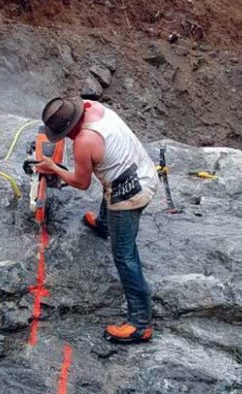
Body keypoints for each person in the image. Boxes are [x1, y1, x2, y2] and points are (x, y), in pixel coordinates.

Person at [37, 97, 158, 343]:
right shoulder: (93, 106)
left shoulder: (84, 141)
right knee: (109, 176)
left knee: (124, 256)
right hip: (139, 168)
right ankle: (105, 224)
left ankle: (140, 323)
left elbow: (82, 183)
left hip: (131, 194)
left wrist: (54, 167)